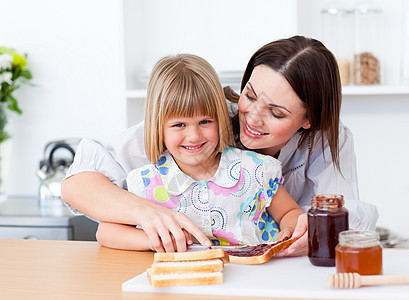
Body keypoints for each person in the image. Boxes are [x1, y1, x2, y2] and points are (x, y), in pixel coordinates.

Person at [61, 35, 377, 255]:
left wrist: (309, 229)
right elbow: (79, 186)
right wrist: (149, 217)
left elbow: (340, 215)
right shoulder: (201, 116)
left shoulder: (313, 145)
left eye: (276, 113)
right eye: (250, 95)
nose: (252, 117)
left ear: (310, 120)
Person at [95, 54, 305, 253]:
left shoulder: (256, 169)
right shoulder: (147, 182)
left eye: (205, 122)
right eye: (179, 125)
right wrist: (152, 241)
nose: (194, 136)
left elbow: (289, 212)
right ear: (158, 127)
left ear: (220, 118)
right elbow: (106, 232)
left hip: (252, 278)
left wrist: (289, 230)